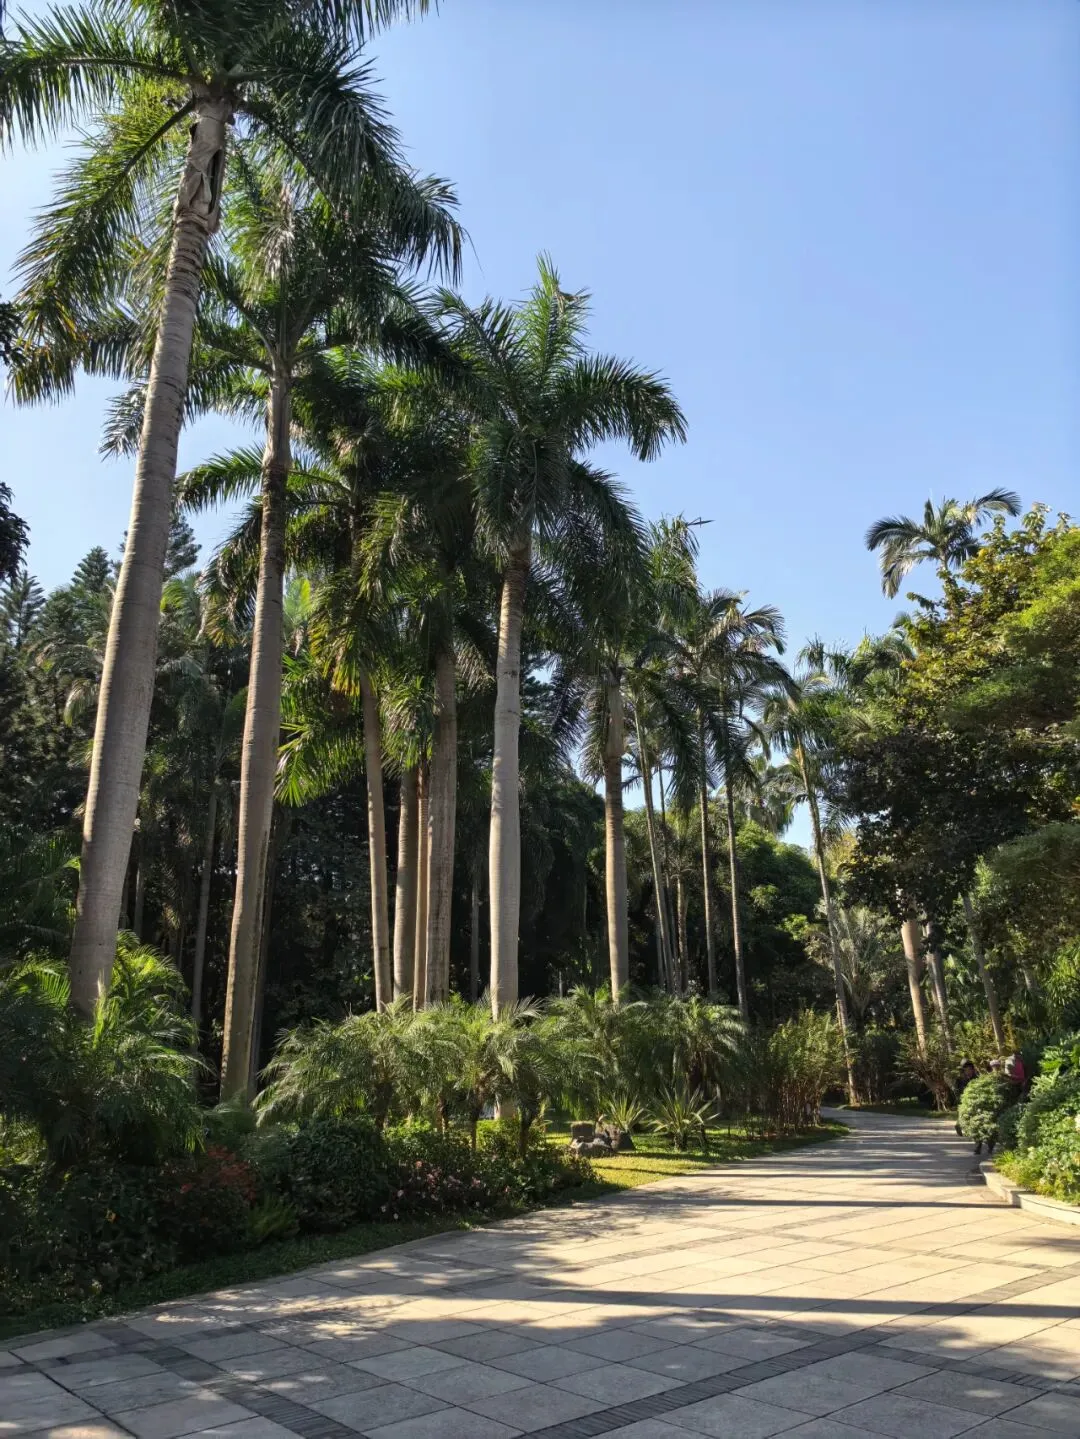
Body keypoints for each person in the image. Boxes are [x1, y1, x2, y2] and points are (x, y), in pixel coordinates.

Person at [955, 1059, 977, 1137]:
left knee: (971, 1113)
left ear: (973, 1070)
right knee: (962, 1113)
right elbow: (956, 1089)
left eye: (970, 1069)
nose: (969, 1071)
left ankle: (968, 1129)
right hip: (962, 1097)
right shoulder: (960, 1079)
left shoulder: (975, 1077)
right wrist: (959, 1096)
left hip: (973, 1098)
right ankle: (958, 1125)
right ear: (964, 1070)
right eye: (967, 1069)